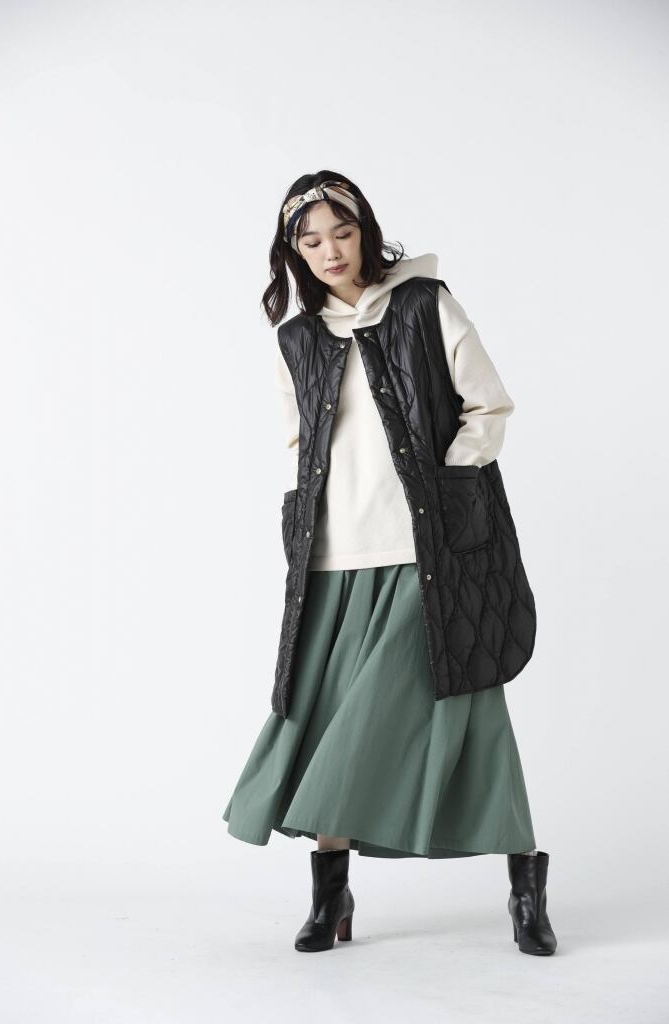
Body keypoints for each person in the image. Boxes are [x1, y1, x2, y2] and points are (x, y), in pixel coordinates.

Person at [222, 172, 557, 957]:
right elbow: (303, 444)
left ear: (365, 231)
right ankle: (330, 896)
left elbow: (488, 406)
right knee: (333, 719)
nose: (330, 251)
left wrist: (450, 484)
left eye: (341, 233)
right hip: (334, 557)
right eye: (311, 241)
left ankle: (525, 888)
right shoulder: (297, 340)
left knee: (469, 712)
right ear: (294, 253)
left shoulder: (424, 305)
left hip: (427, 551)